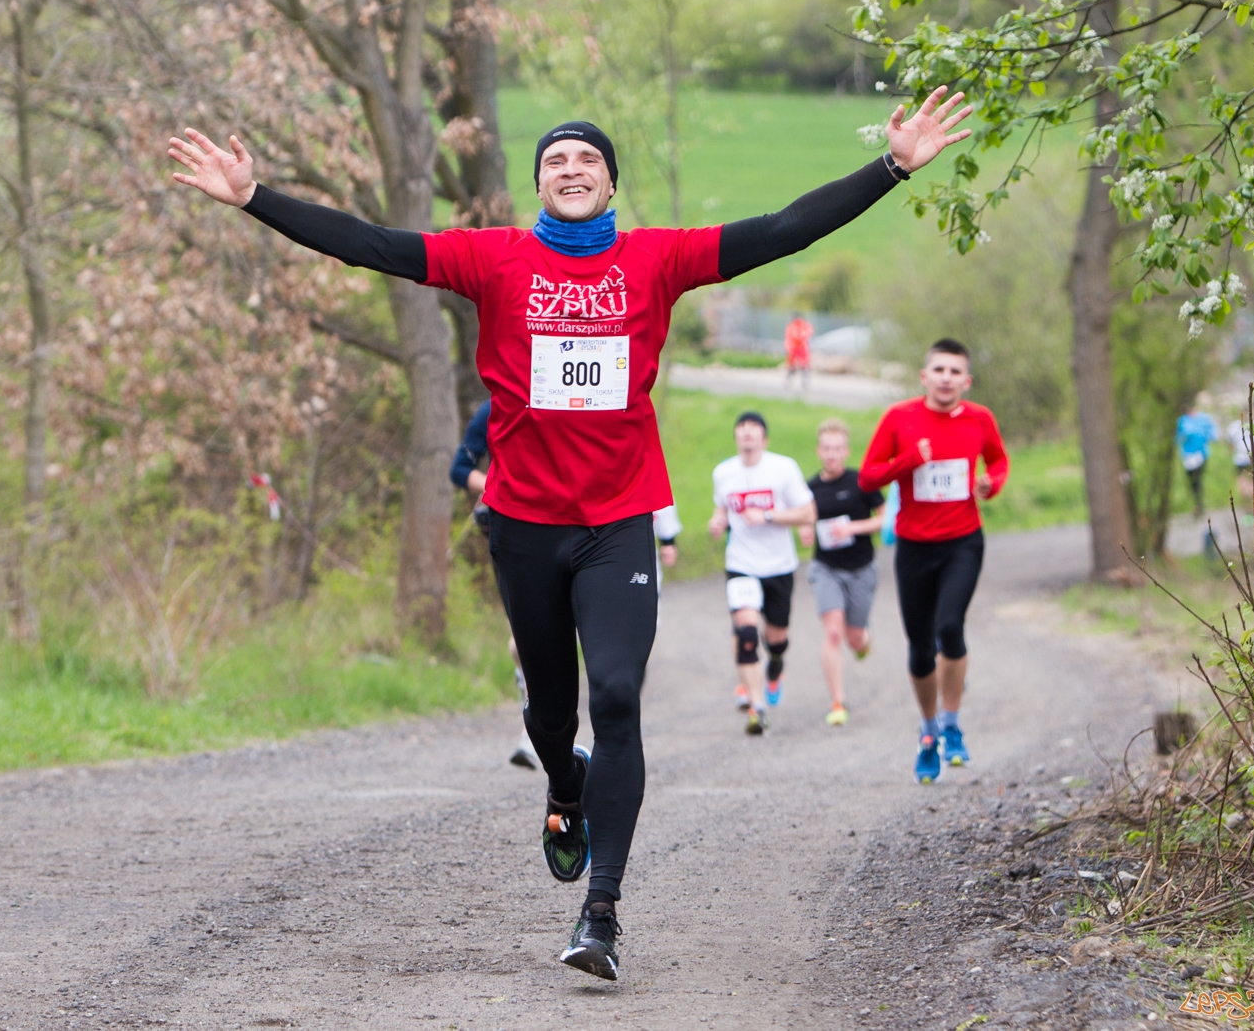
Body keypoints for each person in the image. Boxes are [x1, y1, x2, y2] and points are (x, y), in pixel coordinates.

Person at [168, 86, 973, 981]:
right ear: (539, 186)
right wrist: (255, 199)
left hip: (619, 521)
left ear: (611, 182)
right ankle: (563, 784)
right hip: (522, 522)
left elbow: (784, 227)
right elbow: (373, 245)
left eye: (588, 158)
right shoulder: (492, 259)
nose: (572, 168)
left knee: (619, 694)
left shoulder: (656, 260)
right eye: (556, 160)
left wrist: (893, 166)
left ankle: (602, 915)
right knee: (553, 714)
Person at [859, 338, 1008, 784]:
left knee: (950, 627)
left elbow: (998, 461)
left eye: (954, 371)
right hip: (913, 546)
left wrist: (990, 484)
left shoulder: (981, 419)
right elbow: (868, 477)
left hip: (963, 541)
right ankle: (928, 732)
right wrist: (909, 460)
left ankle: (952, 723)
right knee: (921, 646)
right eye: (938, 370)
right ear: (925, 376)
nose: (946, 378)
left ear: (966, 380)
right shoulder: (899, 418)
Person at [709, 412, 816, 734]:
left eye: (754, 429)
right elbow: (722, 508)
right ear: (736, 437)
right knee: (745, 633)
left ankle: (775, 667)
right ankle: (757, 706)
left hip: (778, 565)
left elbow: (808, 512)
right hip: (741, 563)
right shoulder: (724, 472)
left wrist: (768, 515)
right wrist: (718, 521)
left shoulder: (782, 468)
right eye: (741, 429)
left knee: (776, 638)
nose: (747, 434)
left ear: (764, 439)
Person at [451, 399, 542, 770]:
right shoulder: (493, 410)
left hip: (564, 529)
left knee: (544, 638)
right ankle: (534, 726)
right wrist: (498, 486)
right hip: (509, 532)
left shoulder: (564, 402)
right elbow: (460, 469)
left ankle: (547, 723)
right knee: (523, 640)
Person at [796, 418, 883, 727]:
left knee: (854, 638)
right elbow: (805, 518)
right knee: (833, 631)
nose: (831, 454)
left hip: (861, 567)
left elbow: (886, 520)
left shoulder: (862, 482)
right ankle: (837, 702)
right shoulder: (810, 488)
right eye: (826, 449)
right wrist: (806, 531)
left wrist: (853, 527)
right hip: (826, 568)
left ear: (846, 451)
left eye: (837, 449)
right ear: (819, 451)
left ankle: (862, 640)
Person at [1176, 400, 1218, 517]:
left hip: (1201, 454)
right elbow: (1178, 438)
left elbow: (1212, 433)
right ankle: (1197, 503)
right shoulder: (1182, 421)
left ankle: (1199, 505)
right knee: (1192, 481)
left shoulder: (1204, 419)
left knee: (1198, 478)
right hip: (1188, 455)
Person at [1226, 411, 1254, 500]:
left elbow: (1230, 442)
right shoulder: (1253, 424)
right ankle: (1248, 497)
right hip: (1244, 457)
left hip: (1245, 457)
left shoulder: (1234, 426)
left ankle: (1247, 497)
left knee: (1244, 478)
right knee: (1246, 478)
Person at [784, 314, 814, 389]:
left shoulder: (792, 326)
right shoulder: (804, 325)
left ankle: (790, 379)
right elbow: (809, 334)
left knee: (793, 365)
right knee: (802, 365)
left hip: (795, 347)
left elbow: (789, 337)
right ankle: (803, 380)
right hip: (800, 347)